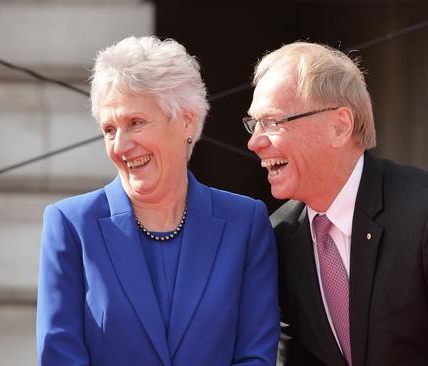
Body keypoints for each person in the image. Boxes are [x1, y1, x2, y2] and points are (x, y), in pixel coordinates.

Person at [37, 36, 279, 366]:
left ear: (187, 122)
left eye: (135, 123)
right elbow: (60, 356)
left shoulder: (245, 223)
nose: (120, 146)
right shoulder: (71, 225)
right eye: (109, 129)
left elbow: (256, 355)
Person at [245, 41, 428, 366]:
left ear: (340, 125)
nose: (254, 141)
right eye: (254, 123)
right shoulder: (279, 235)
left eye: (273, 121)